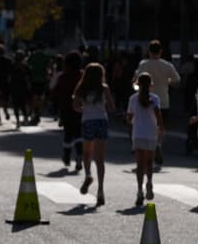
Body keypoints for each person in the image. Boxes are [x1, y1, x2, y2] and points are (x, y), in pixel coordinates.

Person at [73, 62, 116, 206]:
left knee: (87, 153)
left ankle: (88, 175)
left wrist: (85, 109)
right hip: (101, 121)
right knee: (100, 159)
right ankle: (100, 191)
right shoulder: (104, 89)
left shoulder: (81, 89)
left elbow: (75, 106)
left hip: (87, 121)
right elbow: (111, 107)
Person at [133, 39, 180, 168]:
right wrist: (167, 82)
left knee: (145, 124)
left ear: (148, 51)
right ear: (161, 52)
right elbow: (177, 81)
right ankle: (158, 145)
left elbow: (135, 80)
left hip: (145, 99)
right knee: (160, 126)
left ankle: (144, 148)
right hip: (163, 100)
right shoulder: (168, 65)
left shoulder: (143, 64)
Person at [126, 72, 163, 206]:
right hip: (151, 133)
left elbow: (129, 118)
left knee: (139, 165)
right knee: (149, 163)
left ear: (138, 84)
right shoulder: (155, 98)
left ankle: (139, 191)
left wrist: (131, 123)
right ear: (150, 84)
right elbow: (158, 116)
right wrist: (161, 129)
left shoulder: (133, 98)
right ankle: (149, 182)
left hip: (138, 133)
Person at [51, 50, 83, 171]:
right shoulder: (82, 75)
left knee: (68, 132)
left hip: (65, 107)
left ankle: (67, 156)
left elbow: (53, 89)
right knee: (79, 132)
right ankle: (79, 155)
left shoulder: (62, 76)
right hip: (81, 108)